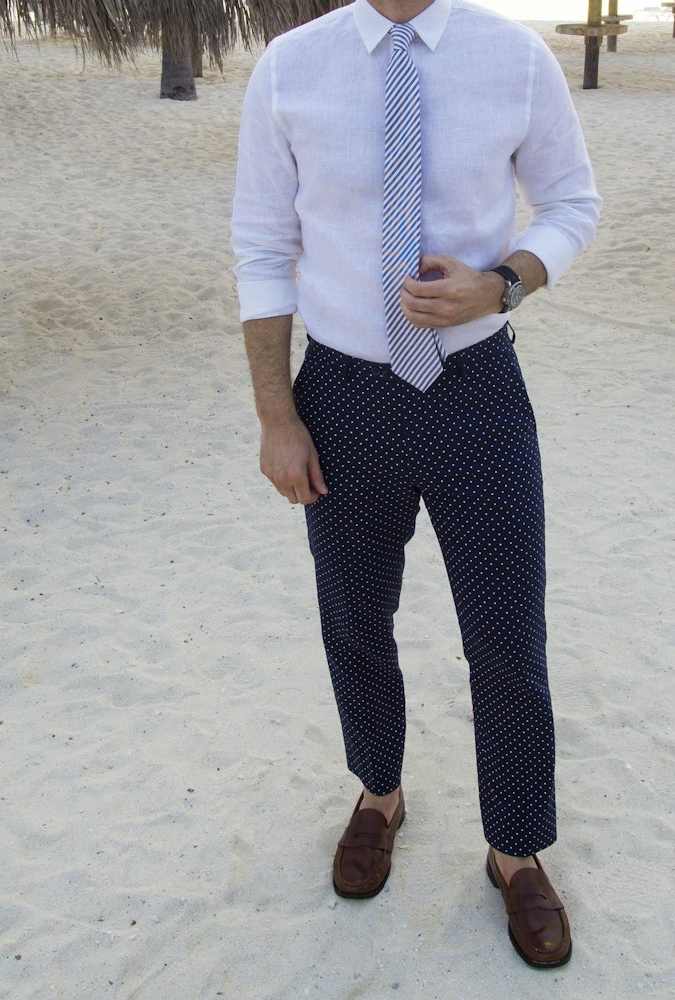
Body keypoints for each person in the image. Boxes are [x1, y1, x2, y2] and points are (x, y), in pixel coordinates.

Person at [231, 0, 600, 969]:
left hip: (477, 391)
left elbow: (573, 203)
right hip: (341, 394)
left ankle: (514, 851)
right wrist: (278, 415)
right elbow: (262, 250)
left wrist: (504, 281)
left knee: (507, 637)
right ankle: (379, 794)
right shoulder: (289, 68)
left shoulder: (514, 59)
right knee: (353, 616)